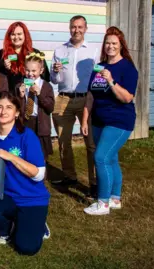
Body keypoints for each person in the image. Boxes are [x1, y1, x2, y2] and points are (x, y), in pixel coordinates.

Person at [0, 91, 50, 255]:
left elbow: (39, 174)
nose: (3, 112)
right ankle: (7, 227)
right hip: (5, 196)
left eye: (9, 107)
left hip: (31, 198)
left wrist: (10, 156)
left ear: (17, 112)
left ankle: (38, 223)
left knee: (26, 248)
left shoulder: (27, 136)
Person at [81, 26, 138, 215]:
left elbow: (127, 98)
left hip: (119, 120)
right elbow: (90, 96)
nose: (110, 46)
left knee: (101, 157)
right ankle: (115, 198)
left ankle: (103, 203)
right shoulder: (99, 67)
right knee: (111, 159)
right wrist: (84, 119)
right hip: (98, 120)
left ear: (121, 45)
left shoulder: (127, 68)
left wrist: (111, 81)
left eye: (114, 43)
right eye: (107, 43)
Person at [50, 15, 99, 198]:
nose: (76, 30)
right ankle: (69, 176)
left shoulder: (93, 51)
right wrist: (55, 73)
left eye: (80, 27)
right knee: (63, 142)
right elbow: (54, 80)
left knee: (91, 143)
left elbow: (98, 77)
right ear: (69, 28)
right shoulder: (60, 50)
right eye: (73, 27)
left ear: (85, 28)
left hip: (86, 98)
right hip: (63, 98)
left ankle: (94, 183)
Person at [17, 52, 54, 160]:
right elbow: (15, 108)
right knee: (25, 153)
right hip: (26, 121)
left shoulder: (46, 86)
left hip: (40, 124)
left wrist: (39, 94)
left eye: (34, 71)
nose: (30, 74)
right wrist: (20, 96)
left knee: (41, 155)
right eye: (28, 70)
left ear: (41, 71)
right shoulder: (20, 86)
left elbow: (50, 108)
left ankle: (41, 176)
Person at [0, 22, 50, 93]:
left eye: (19, 34)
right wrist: (5, 69)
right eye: (13, 34)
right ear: (9, 36)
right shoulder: (2, 54)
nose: (16, 37)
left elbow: (45, 78)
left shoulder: (35, 53)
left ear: (25, 35)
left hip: (30, 97)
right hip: (9, 98)